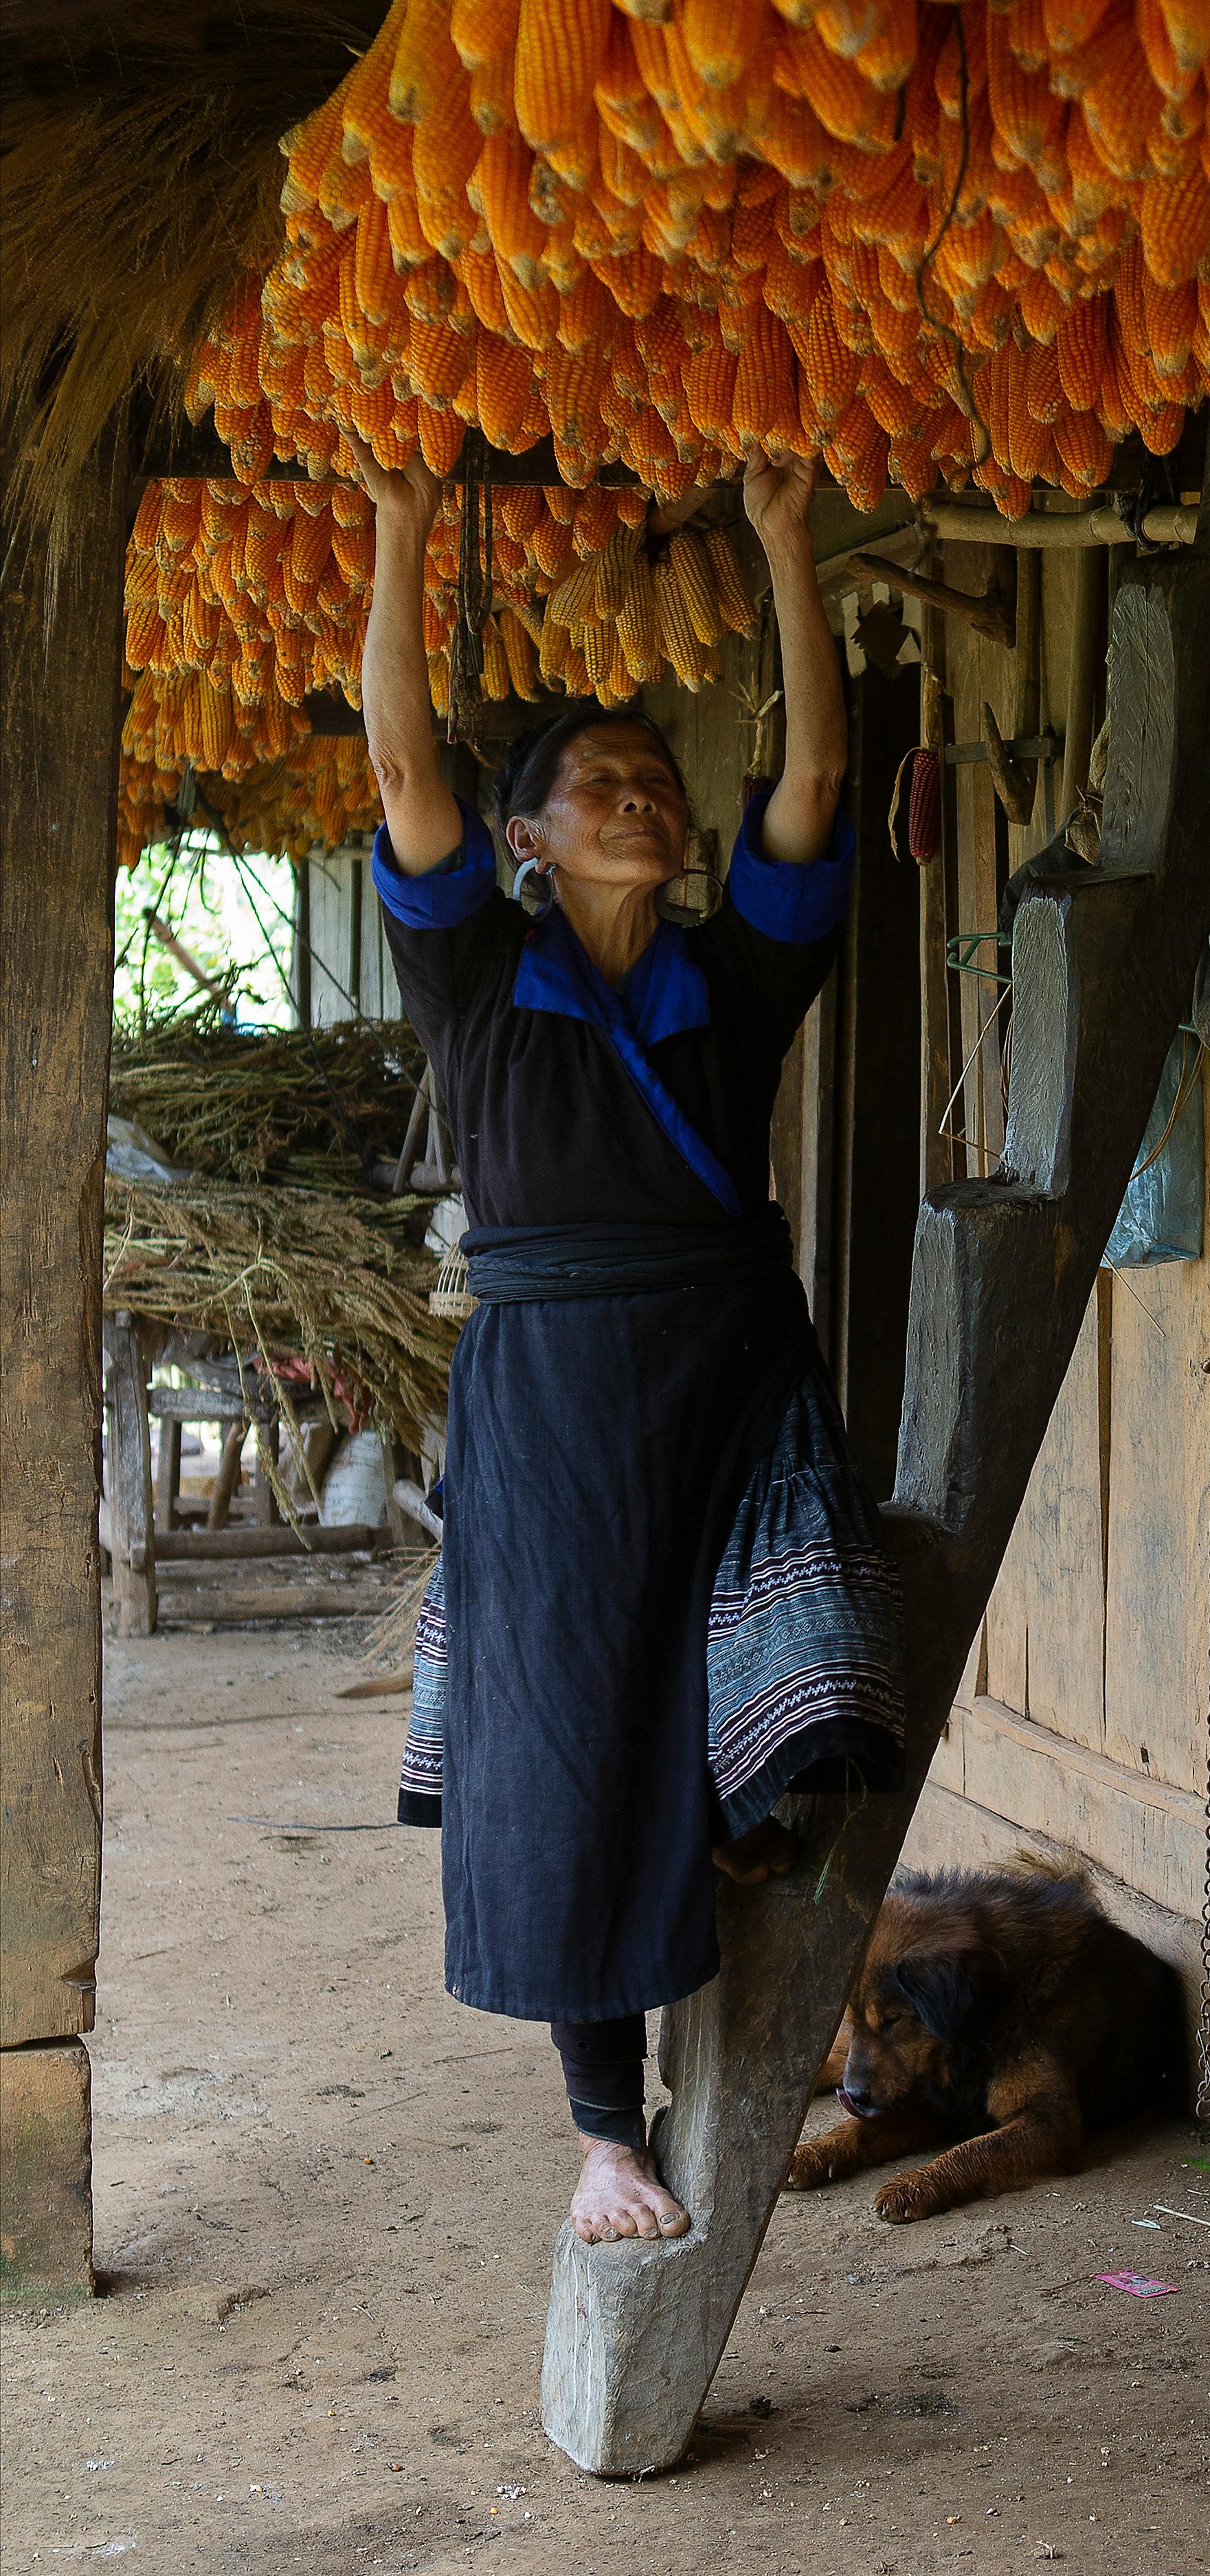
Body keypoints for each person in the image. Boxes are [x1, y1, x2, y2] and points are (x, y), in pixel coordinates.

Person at [356, 451, 904, 2249]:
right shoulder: (474, 983)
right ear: (524, 841)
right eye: (598, 788)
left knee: (771, 1710)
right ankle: (603, 2132)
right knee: (559, 1740)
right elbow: (397, 766)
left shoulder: (729, 990)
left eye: (657, 783)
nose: (641, 801)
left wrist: (783, 542)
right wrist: (402, 538)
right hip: (552, 1417)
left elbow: (814, 775)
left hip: (729, 1396)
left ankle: (743, 1976)